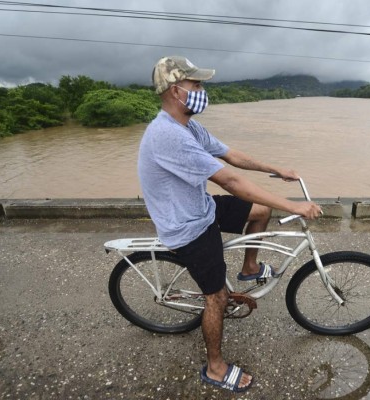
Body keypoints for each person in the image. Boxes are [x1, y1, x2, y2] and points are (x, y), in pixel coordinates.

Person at [138, 55, 322, 393]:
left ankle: (250, 267)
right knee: (218, 299)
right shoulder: (168, 136)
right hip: (188, 226)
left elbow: (231, 155)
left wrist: (277, 168)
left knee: (258, 212)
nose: (202, 90)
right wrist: (291, 205)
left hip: (201, 206)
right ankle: (216, 368)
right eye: (196, 85)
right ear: (176, 91)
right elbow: (232, 182)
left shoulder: (187, 126)